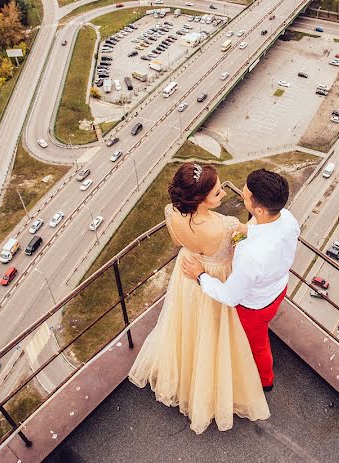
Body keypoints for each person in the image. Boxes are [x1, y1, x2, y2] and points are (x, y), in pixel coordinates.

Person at [128, 163, 269, 434]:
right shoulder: (223, 227)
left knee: (186, 327)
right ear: (200, 198)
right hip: (213, 275)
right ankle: (210, 386)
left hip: (188, 271)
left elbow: (179, 242)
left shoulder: (171, 213)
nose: (224, 194)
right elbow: (247, 235)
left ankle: (186, 375)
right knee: (215, 332)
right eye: (217, 193)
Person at [182, 169, 300, 391]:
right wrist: (247, 231)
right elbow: (268, 239)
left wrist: (200, 275)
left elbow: (230, 296)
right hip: (279, 288)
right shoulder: (288, 219)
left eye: (245, 196)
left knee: (258, 346)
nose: (241, 194)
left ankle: (266, 382)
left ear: (259, 209)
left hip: (255, 308)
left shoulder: (251, 255)